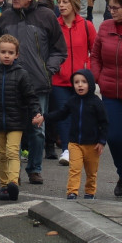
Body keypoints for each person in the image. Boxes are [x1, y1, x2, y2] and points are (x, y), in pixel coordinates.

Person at [0, 0, 66, 185]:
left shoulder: (47, 16)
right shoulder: (4, 17)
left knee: (37, 130)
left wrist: (48, 70)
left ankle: (34, 168)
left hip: (38, 84)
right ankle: (14, 174)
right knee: (13, 130)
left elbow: (59, 50)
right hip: (10, 83)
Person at [0, 34, 45, 201]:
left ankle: (13, 182)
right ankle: (4, 185)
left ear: (17, 55)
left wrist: (36, 112)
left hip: (16, 121)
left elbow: (31, 96)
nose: (7, 55)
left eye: (11, 52)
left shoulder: (21, 74)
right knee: (0, 154)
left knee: (13, 152)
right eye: (4, 52)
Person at [45, 69, 108, 200]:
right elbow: (61, 114)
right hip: (74, 143)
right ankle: (72, 192)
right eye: (76, 82)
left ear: (90, 84)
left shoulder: (96, 102)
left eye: (84, 82)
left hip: (93, 145)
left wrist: (101, 141)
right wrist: (45, 117)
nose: (80, 85)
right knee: (75, 169)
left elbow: (104, 123)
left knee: (91, 172)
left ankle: (90, 192)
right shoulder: (72, 101)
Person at [51, 0, 95, 168]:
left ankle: (81, 148)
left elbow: (95, 51)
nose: (61, 5)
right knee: (64, 114)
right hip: (59, 80)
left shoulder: (86, 26)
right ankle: (67, 150)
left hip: (81, 79)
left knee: (81, 113)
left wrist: (88, 69)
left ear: (74, 4)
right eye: (59, 2)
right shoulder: (54, 25)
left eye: (65, 2)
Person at [90, 0, 122, 196]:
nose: (112, 11)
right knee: (114, 136)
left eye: (117, 8)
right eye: (110, 8)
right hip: (110, 91)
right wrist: (97, 77)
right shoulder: (105, 27)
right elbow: (95, 56)